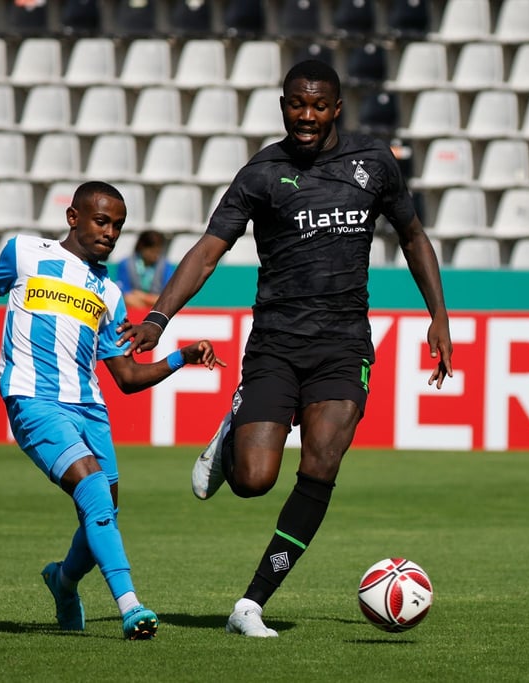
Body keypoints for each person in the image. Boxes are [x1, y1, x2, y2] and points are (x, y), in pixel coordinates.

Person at [119, 61, 453, 637]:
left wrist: (439, 318)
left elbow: (414, 236)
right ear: (283, 106)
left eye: (318, 106)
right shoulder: (262, 173)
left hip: (344, 346)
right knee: (254, 480)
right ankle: (232, 436)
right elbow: (207, 250)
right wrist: (158, 317)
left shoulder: (374, 164)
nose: (306, 115)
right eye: (297, 104)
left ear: (336, 109)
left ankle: (251, 603)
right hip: (275, 343)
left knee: (321, 464)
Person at [0, 181, 225, 640]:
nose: (110, 232)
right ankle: (131, 606)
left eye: (118, 226)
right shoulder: (25, 252)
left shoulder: (109, 292)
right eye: (101, 221)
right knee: (91, 489)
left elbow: (126, 378)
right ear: (73, 217)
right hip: (32, 398)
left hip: (90, 408)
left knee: (104, 509)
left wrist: (180, 357)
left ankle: (63, 582)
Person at [115, 229, 176, 310]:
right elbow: (125, 295)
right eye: (152, 251)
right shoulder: (126, 264)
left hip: (159, 307)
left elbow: (168, 297)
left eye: (158, 252)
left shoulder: (166, 266)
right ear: (142, 247)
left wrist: (143, 297)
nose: (155, 255)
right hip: (133, 306)